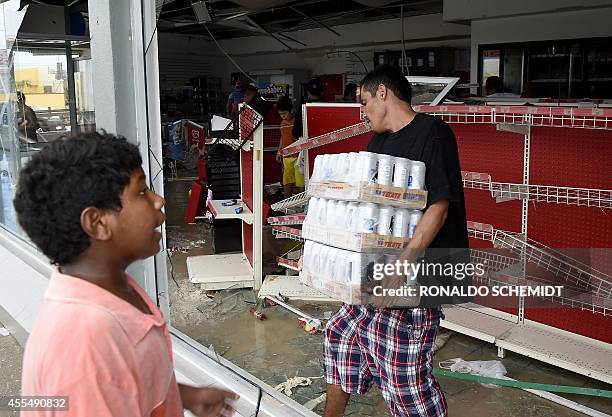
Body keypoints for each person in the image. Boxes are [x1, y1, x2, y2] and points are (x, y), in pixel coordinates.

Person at [14, 132, 239, 417]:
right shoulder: (86, 345)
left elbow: (127, 378)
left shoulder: (113, 288)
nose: (158, 201)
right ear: (97, 223)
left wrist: (183, 396)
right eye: (142, 191)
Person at [322, 65, 468, 417]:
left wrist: (402, 267)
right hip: (382, 267)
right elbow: (370, 212)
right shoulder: (379, 143)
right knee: (341, 335)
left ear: (383, 93)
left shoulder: (432, 133)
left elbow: (439, 207)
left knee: (400, 368)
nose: (362, 111)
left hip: (423, 267)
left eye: (365, 101)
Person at [276, 97, 304, 197]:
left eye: (285, 113)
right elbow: (282, 138)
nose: (283, 116)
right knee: (287, 180)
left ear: (291, 110)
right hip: (286, 157)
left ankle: (301, 203)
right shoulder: (282, 124)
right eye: (280, 114)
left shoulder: (297, 121)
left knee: (300, 181)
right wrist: (279, 151)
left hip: (298, 156)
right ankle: (287, 201)